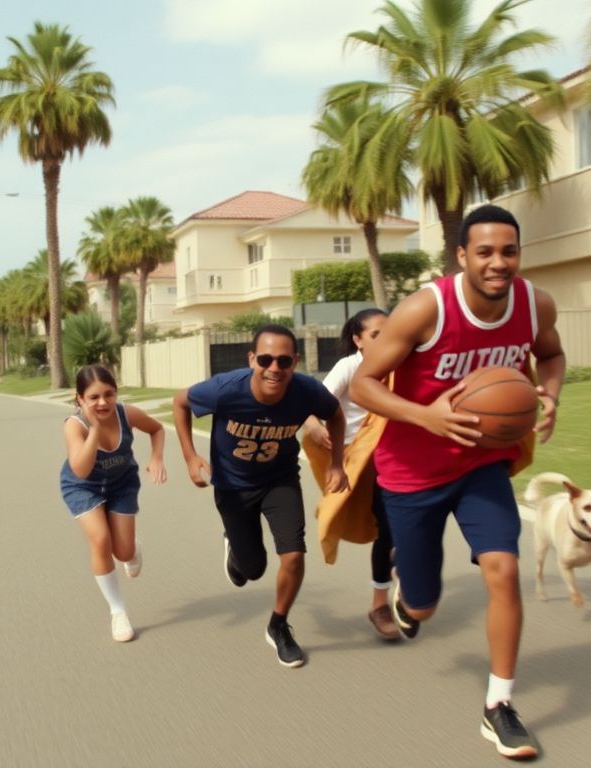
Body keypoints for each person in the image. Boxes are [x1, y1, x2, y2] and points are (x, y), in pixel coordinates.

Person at [350, 204, 566, 760]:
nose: (499, 263)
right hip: (411, 472)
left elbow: (553, 354)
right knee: (423, 608)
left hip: (479, 466)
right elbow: (365, 385)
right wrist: (427, 416)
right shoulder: (425, 309)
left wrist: (550, 393)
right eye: (486, 252)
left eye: (509, 251)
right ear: (462, 256)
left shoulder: (534, 304)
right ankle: (408, 596)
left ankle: (500, 707)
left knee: (505, 568)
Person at [173, 324, 349, 668]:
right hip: (233, 486)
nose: (274, 368)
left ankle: (278, 626)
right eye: (265, 359)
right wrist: (190, 457)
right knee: (253, 569)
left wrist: (337, 464)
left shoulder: (306, 391)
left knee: (294, 554)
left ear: (295, 362)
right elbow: (180, 402)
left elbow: (336, 416)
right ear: (252, 358)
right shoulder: (225, 389)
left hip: (279, 480)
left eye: (284, 361)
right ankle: (235, 545)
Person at [303, 308, 400, 640]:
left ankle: (385, 599)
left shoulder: (400, 368)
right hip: (355, 460)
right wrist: (315, 428)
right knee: (384, 528)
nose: (386, 340)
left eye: (390, 333)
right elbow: (314, 407)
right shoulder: (348, 367)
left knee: (394, 528)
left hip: (393, 459)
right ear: (358, 340)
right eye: (376, 335)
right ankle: (383, 600)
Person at [59, 364, 167, 643]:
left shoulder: (126, 414)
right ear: (80, 398)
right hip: (83, 487)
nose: (103, 402)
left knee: (123, 551)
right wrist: (94, 430)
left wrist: (156, 458)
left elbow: (157, 429)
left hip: (122, 484)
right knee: (100, 540)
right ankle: (118, 611)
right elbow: (81, 470)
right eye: (93, 397)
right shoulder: (75, 426)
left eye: (109, 394)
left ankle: (131, 548)